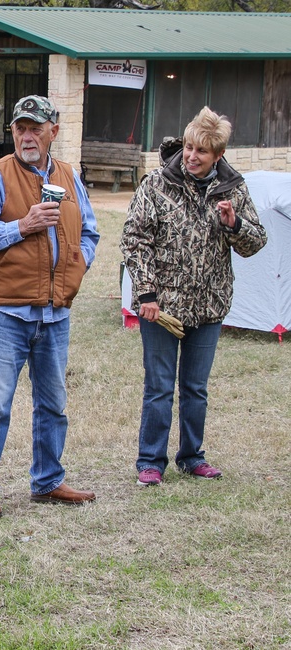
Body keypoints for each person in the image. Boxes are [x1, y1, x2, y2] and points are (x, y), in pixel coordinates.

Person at [0, 95, 100, 520]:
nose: (26, 136)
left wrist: (77, 266)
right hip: (7, 311)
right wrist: (22, 226)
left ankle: (48, 480)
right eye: (20, 128)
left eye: (35, 128)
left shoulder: (69, 176)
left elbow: (90, 233)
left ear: (52, 133)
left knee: (53, 402)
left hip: (56, 313)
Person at [121, 107, 267, 487]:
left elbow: (256, 242)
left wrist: (234, 224)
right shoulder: (157, 183)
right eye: (188, 147)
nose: (191, 156)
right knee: (158, 387)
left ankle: (192, 457)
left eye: (201, 151)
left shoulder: (232, 189)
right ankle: (150, 461)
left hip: (209, 306)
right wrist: (146, 293)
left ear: (217, 155)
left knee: (195, 389)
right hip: (162, 308)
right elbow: (135, 240)